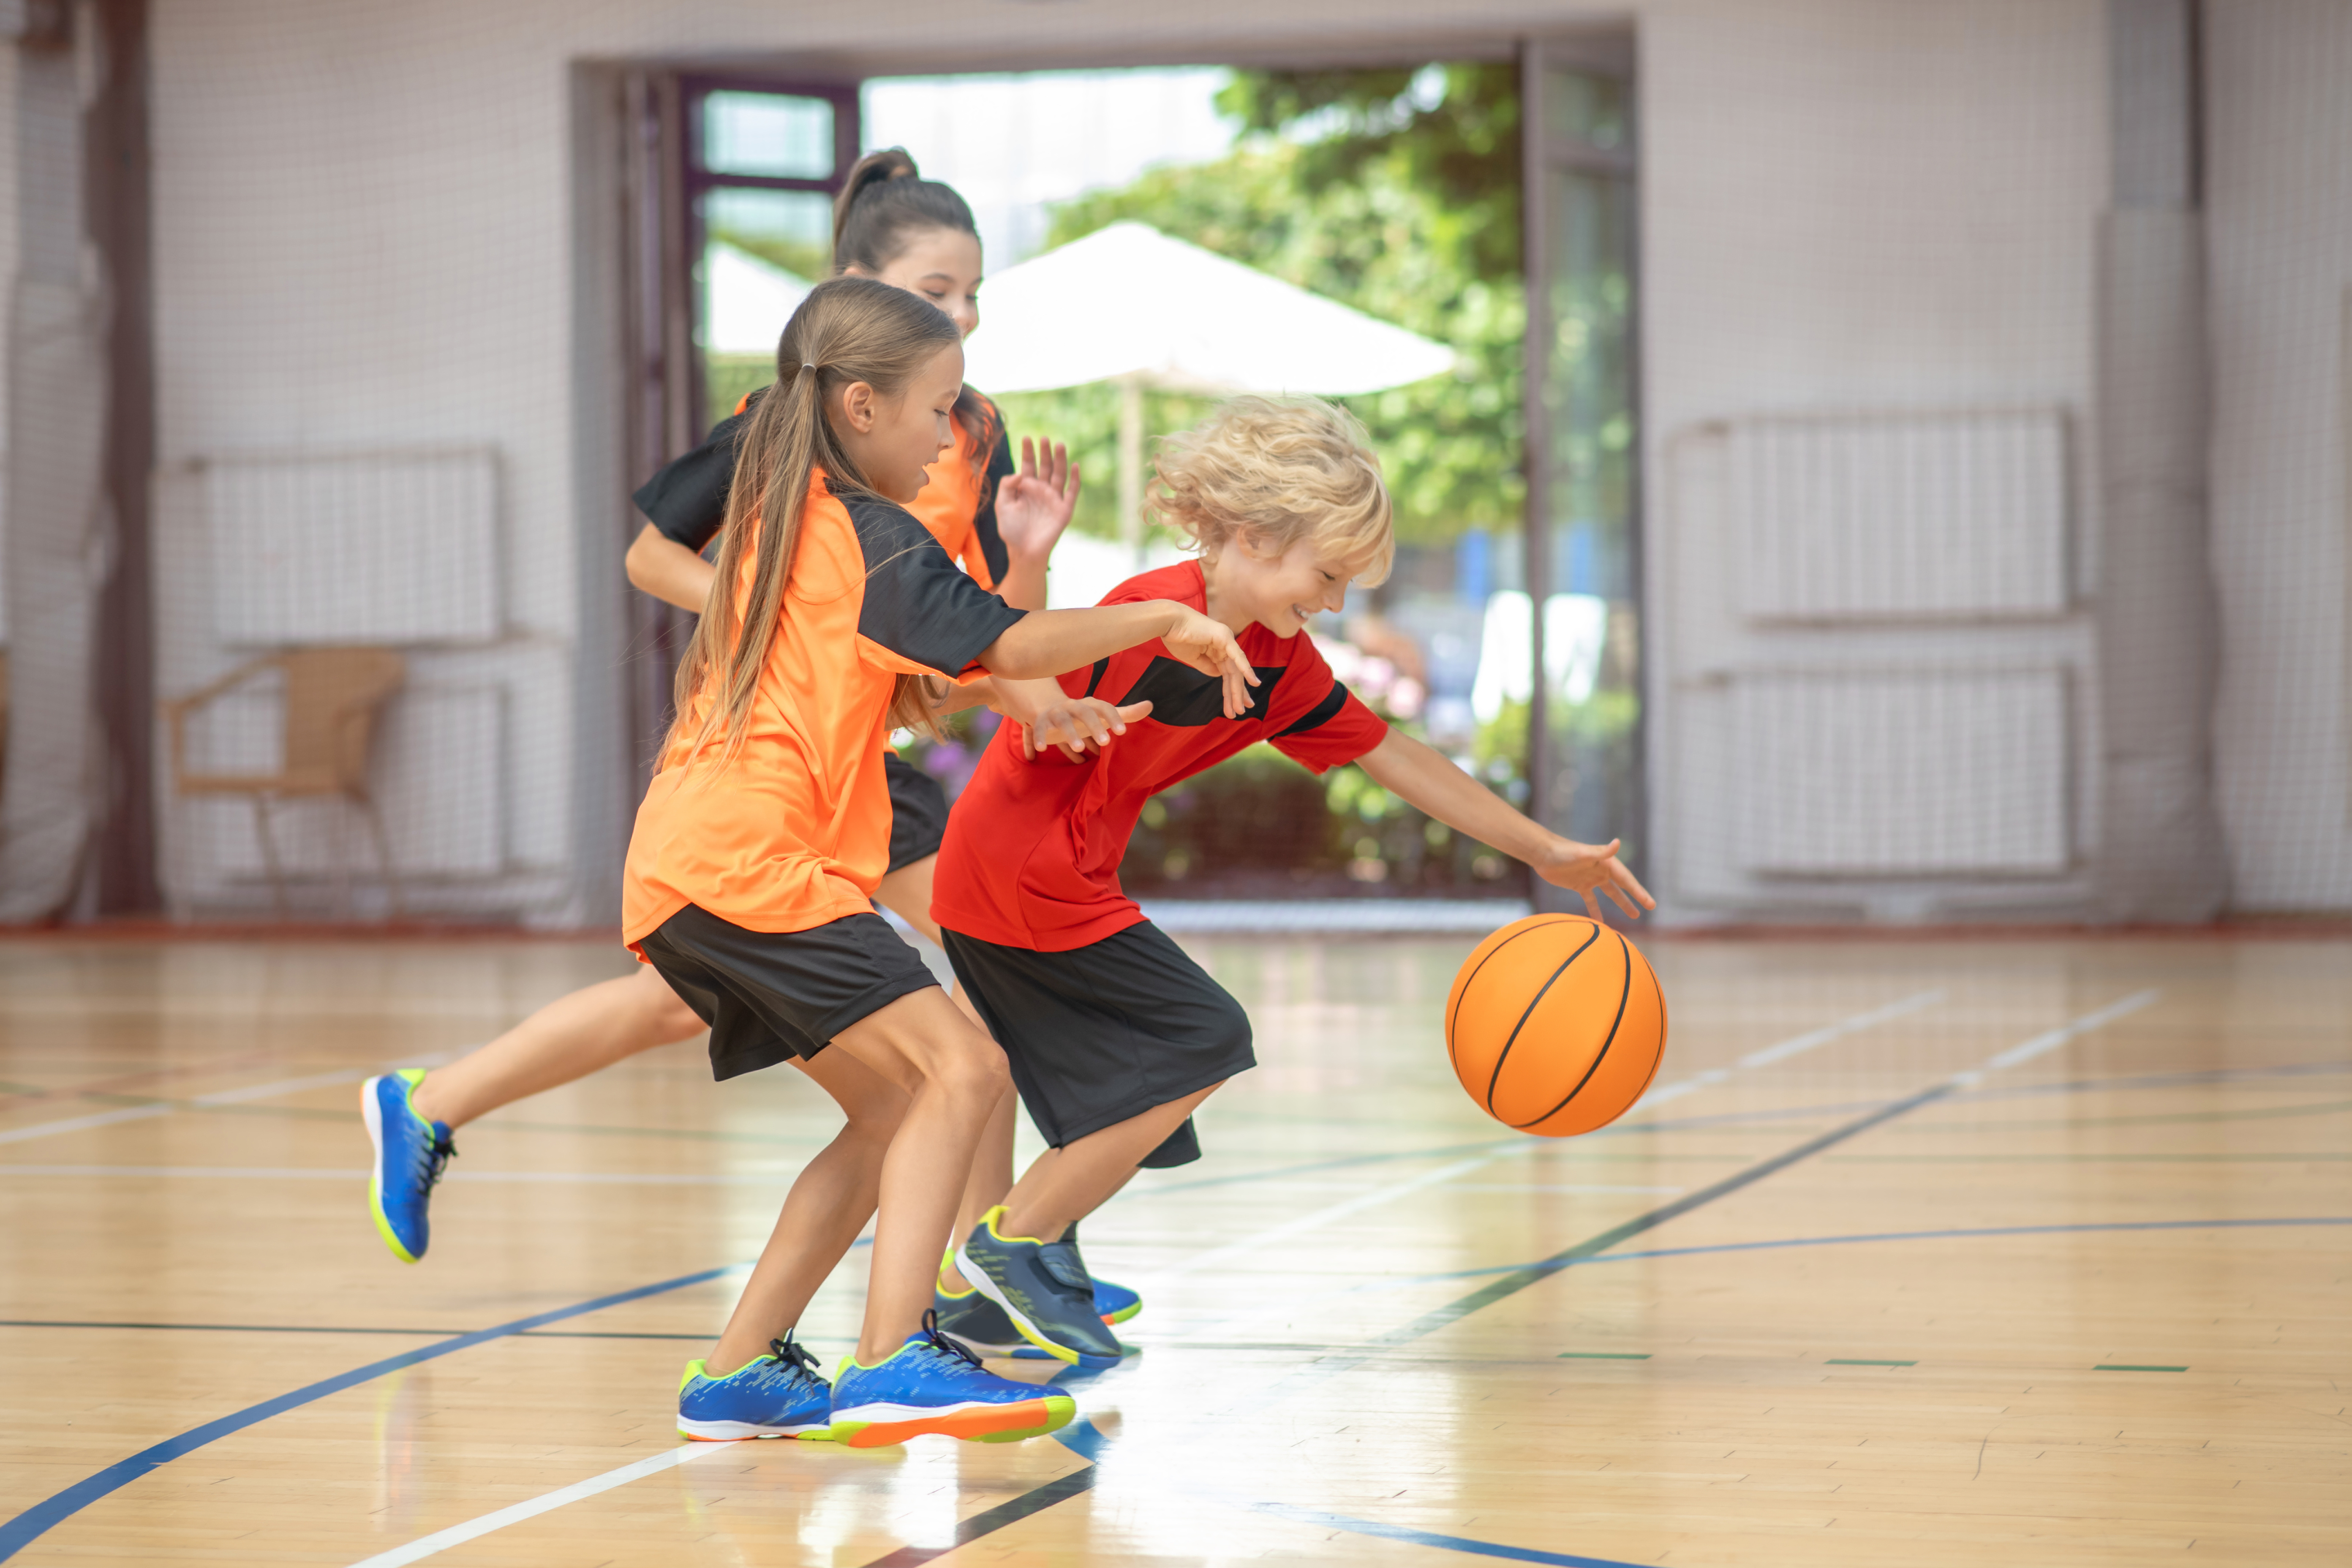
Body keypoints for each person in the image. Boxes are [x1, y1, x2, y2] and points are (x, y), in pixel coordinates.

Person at [361, 151, 1143, 1327]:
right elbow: (650, 558)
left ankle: (434, 1103)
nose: (965, 315)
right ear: (857, 299)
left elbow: (987, 623)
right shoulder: (782, 433)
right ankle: (987, 1269)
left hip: (876, 748)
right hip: (780, 758)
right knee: (964, 1005)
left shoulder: (968, 428)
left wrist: (1035, 653)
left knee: (710, 998)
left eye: (976, 294)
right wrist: (780, 611)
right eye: (938, 290)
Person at [617, 275, 1255, 1444]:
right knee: (964, 1061)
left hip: (697, 866)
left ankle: (740, 1369)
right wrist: (1160, 620)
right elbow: (1004, 641)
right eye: (937, 411)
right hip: (751, 863)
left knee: (890, 1112)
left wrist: (1030, 597)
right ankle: (891, 1355)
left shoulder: (787, 518)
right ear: (861, 407)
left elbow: (959, 667)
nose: (951, 438)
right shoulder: (864, 533)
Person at [931, 397, 1655, 1366]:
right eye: (1329, 576)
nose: (1337, 603)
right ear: (1254, 537)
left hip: (1055, 878)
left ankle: (982, 1287)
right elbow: (1020, 670)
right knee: (1202, 1037)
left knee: (1078, 1072)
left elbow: (1393, 754)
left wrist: (1541, 850)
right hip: (1020, 875)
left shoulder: (1278, 662)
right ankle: (1012, 1245)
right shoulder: (1149, 609)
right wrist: (1030, 570)